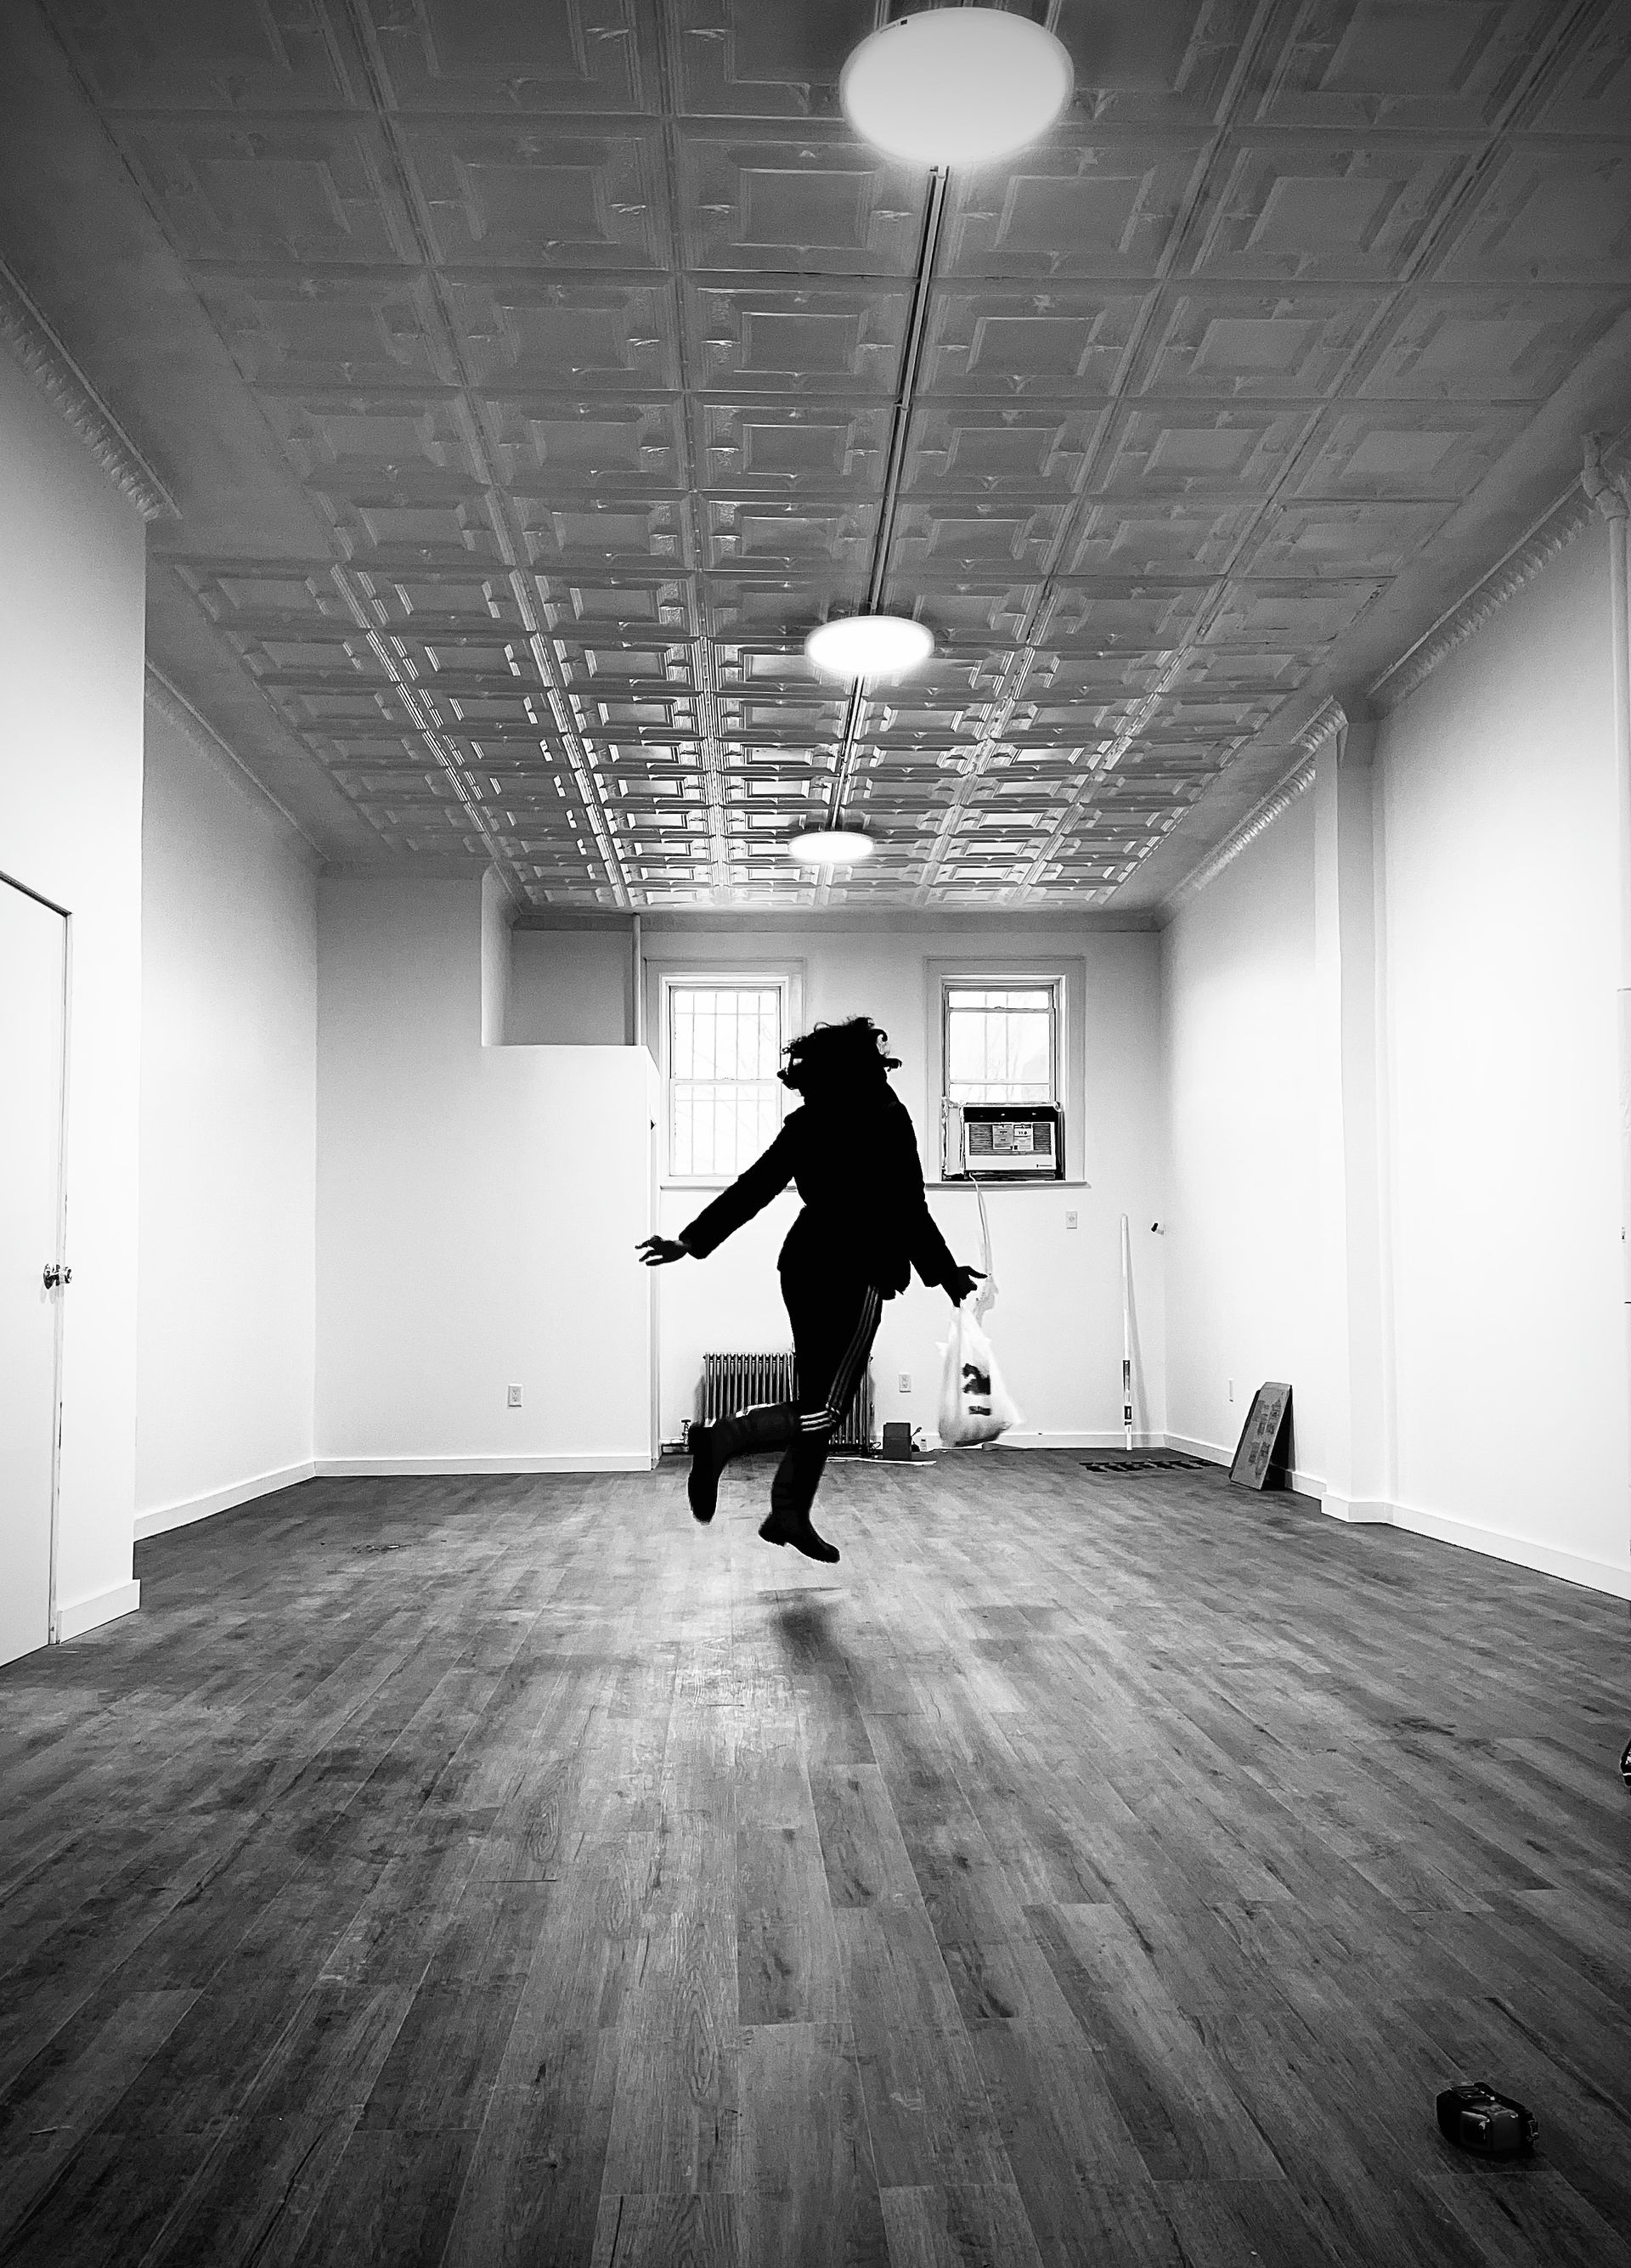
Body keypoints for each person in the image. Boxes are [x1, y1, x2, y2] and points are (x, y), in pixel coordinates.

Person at [637, 1016, 982, 1563]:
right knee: (826, 1407)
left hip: (803, 1265)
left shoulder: (807, 1121)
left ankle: (788, 1513)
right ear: (868, 1066)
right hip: (858, 1271)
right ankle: (723, 1439)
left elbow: (754, 1187)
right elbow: (909, 1206)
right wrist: (948, 1275)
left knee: (817, 1395)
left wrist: (690, 1241)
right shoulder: (887, 1117)